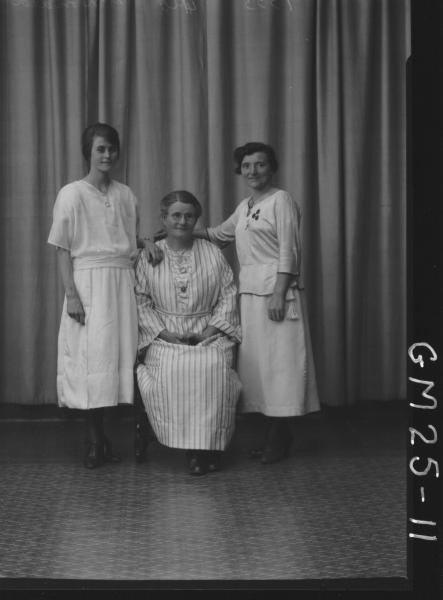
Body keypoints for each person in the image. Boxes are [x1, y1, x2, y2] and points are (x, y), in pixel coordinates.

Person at [195, 142, 320, 464]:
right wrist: (174, 232)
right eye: (247, 165)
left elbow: (288, 250)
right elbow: (218, 235)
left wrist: (280, 291)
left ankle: (279, 437)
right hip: (249, 295)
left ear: (272, 167)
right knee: (260, 369)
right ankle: (275, 434)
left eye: (260, 165)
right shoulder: (245, 206)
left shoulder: (282, 201)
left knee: (282, 368)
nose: (253, 171)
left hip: (277, 294)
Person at [48, 122, 160, 469]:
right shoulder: (71, 193)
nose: (107, 154)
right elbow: (62, 249)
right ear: (89, 152)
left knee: (115, 361)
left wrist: (147, 242)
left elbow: (125, 239)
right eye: (100, 149)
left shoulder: (126, 194)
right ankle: (94, 439)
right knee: (90, 360)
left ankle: (107, 436)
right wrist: (72, 295)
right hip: (88, 283)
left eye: (112, 148)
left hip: (121, 283)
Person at [134, 191, 242, 475]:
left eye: (189, 216)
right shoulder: (151, 255)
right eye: (176, 215)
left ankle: (206, 448)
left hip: (209, 332)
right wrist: (165, 334)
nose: (182, 221)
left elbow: (229, 295)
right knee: (173, 368)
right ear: (164, 218)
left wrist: (208, 331)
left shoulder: (212, 253)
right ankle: (186, 445)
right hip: (164, 336)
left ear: (197, 219)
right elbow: (141, 301)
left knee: (212, 366)